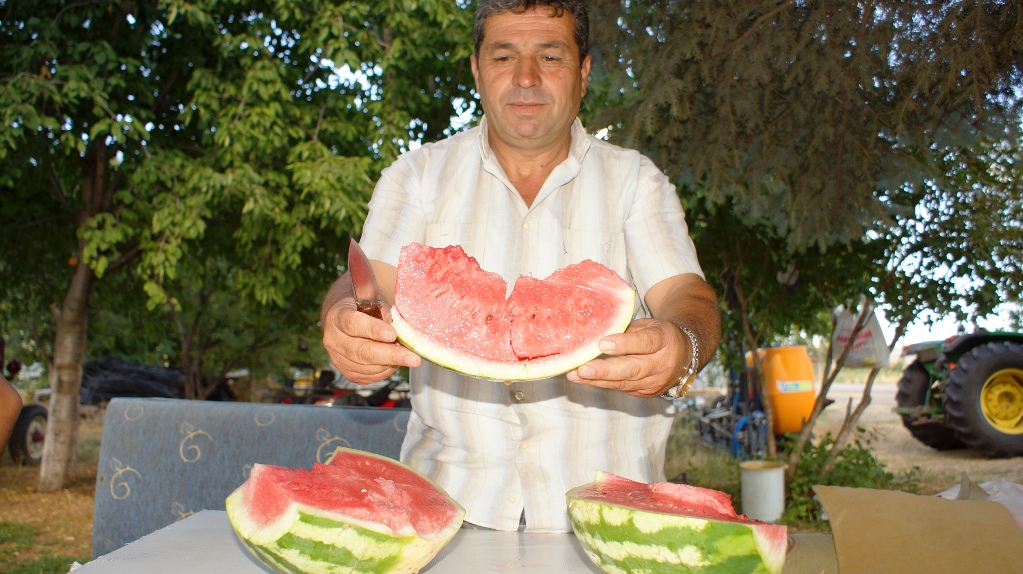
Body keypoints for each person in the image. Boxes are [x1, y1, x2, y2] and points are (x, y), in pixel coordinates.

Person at [321, 0, 721, 532]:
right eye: (504, 56)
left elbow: (688, 298)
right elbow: (367, 284)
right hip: (444, 514)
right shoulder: (416, 176)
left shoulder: (635, 183)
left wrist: (682, 346)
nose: (526, 78)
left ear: (583, 72)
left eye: (550, 56)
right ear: (477, 70)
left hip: (607, 517)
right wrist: (346, 317)